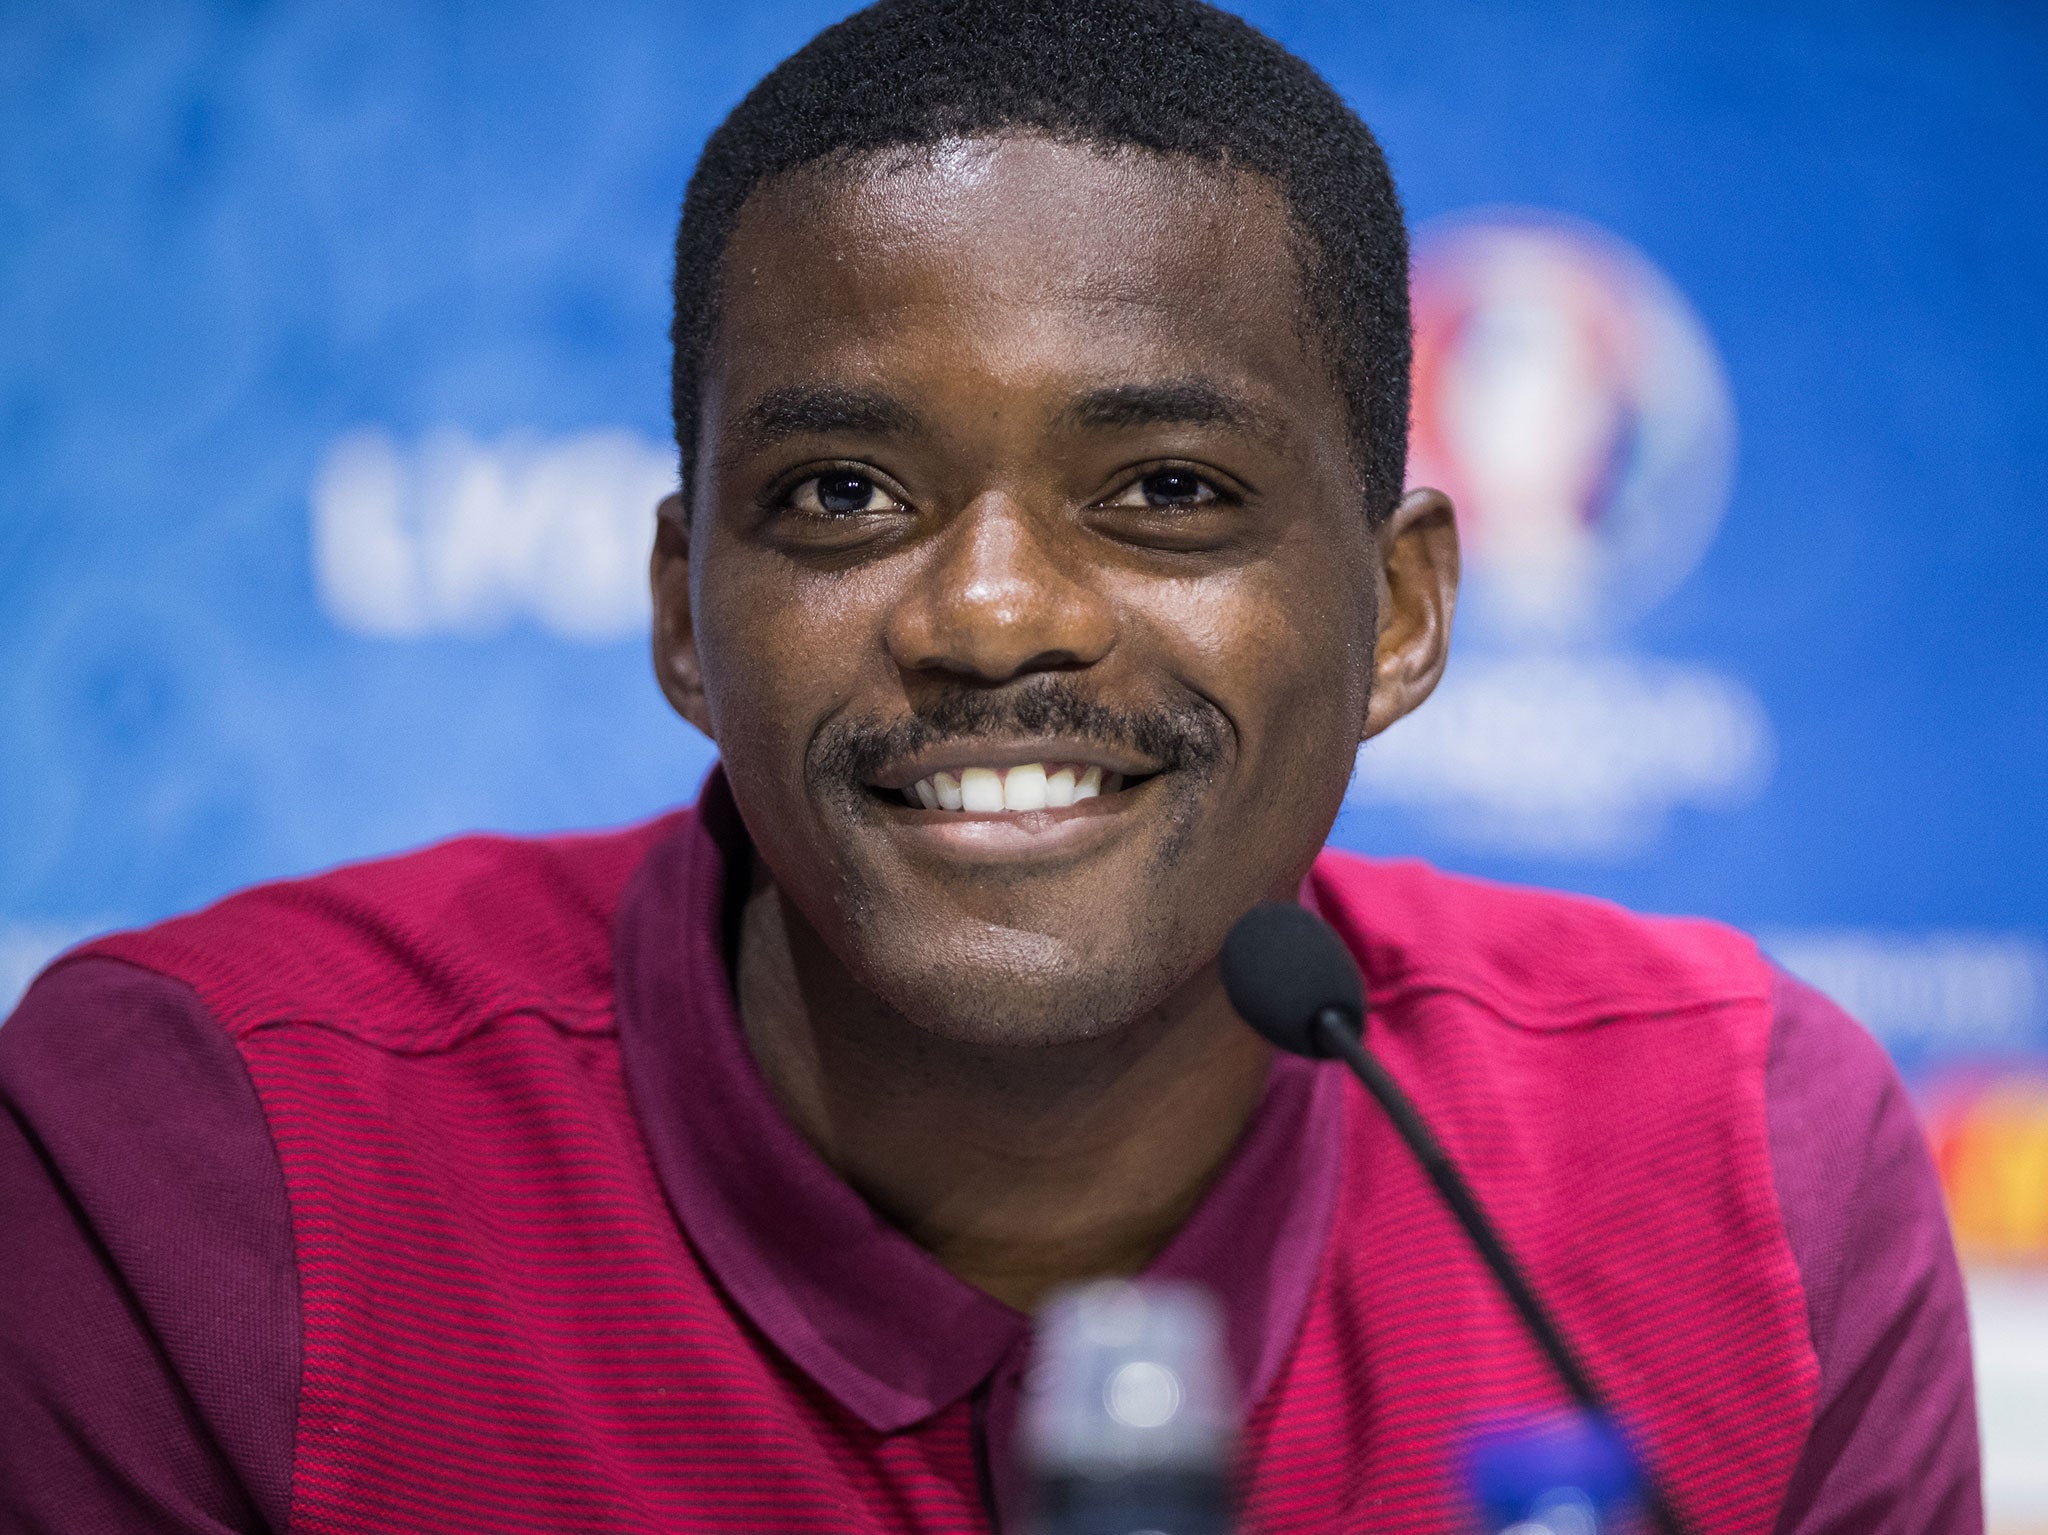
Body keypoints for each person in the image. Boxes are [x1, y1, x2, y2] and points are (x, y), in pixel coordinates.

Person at [0, 1, 1980, 1530]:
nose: (993, 611)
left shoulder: (1737, 1168)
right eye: (845, 491)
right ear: (687, 610)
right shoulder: (201, 1163)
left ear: (1396, 615)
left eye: (1168, 493)